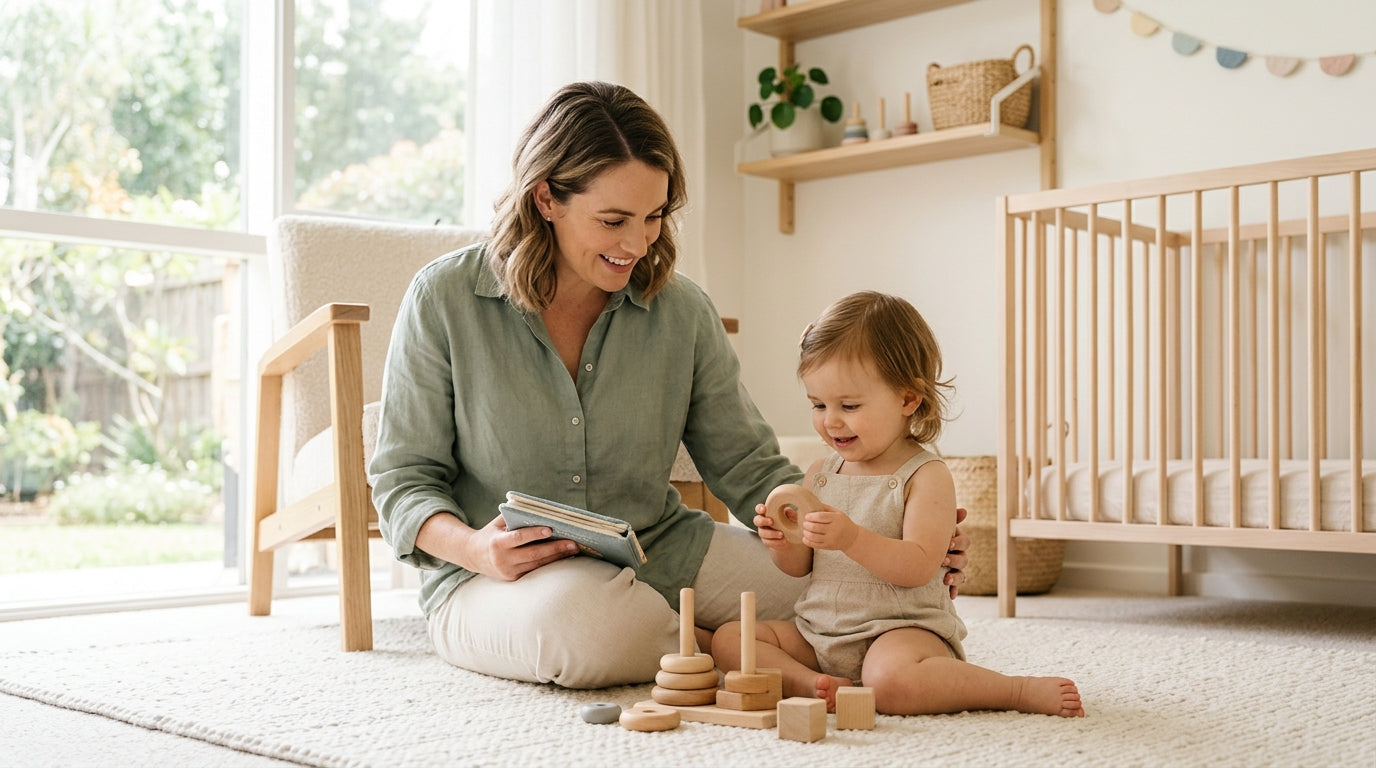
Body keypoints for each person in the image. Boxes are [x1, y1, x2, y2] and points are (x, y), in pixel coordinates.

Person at [367, 81, 970, 690]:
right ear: (546, 197)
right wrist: (474, 549)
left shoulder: (681, 311)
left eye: (653, 216)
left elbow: (749, 467)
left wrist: (893, 527)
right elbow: (402, 481)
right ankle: (717, 646)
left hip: (662, 548)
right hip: (497, 580)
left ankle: (723, 644)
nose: (637, 243)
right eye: (613, 220)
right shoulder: (444, 299)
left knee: (844, 592)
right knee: (587, 629)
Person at [712, 291, 1084, 718]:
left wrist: (849, 536)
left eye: (848, 406)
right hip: (820, 630)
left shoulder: (926, 475)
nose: (830, 420)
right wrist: (783, 542)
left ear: (908, 400)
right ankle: (812, 684)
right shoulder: (820, 472)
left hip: (899, 629)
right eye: (818, 404)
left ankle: (1013, 691)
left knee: (891, 685)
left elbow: (919, 566)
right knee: (731, 638)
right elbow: (802, 567)